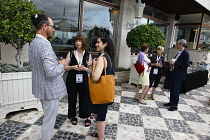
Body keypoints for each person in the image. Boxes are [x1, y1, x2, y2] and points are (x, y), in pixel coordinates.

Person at [29, 14, 67, 140]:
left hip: (42, 88)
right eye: (52, 26)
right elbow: (50, 72)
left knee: (47, 117)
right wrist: (61, 65)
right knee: (49, 120)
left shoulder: (34, 42)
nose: (54, 29)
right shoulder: (44, 44)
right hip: (49, 91)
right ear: (45, 27)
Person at [88, 36, 115, 140]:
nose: (96, 44)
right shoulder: (108, 57)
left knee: (99, 116)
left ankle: (101, 137)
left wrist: (94, 65)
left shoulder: (101, 58)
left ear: (105, 44)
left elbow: (95, 77)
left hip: (100, 91)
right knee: (98, 114)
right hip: (105, 90)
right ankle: (100, 134)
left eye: (98, 42)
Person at [65, 35, 92, 126]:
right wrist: (73, 67)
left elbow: (90, 70)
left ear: (83, 42)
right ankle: (73, 115)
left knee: (84, 98)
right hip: (72, 78)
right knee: (72, 98)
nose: (78, 43)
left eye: (80, 41)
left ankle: (86, 116)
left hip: (83, 78)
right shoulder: (71, 53)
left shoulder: (88, 54)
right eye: (76, 41)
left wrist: (85, 68)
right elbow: (65, 67)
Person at [164, 39, 189, 111]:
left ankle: (175, 105)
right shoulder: (179, 52)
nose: (177, 45)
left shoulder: (185, 53)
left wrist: (175, 63)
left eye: (178, 44)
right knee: (172, 88)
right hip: (174, 73)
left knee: (176, 89)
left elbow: (186, 64)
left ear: (181, 44)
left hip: (179, 75)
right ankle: (171, 102)